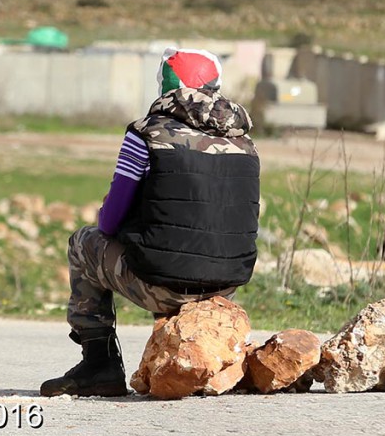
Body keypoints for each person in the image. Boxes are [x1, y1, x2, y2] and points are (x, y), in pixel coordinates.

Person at [40, 48, 261, 398]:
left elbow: (109, 222)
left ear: (167, 85)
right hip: (226, 286)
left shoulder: (147, 134)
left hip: (163, 285)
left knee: (83, 243)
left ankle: (100, 364)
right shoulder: (246, 144)